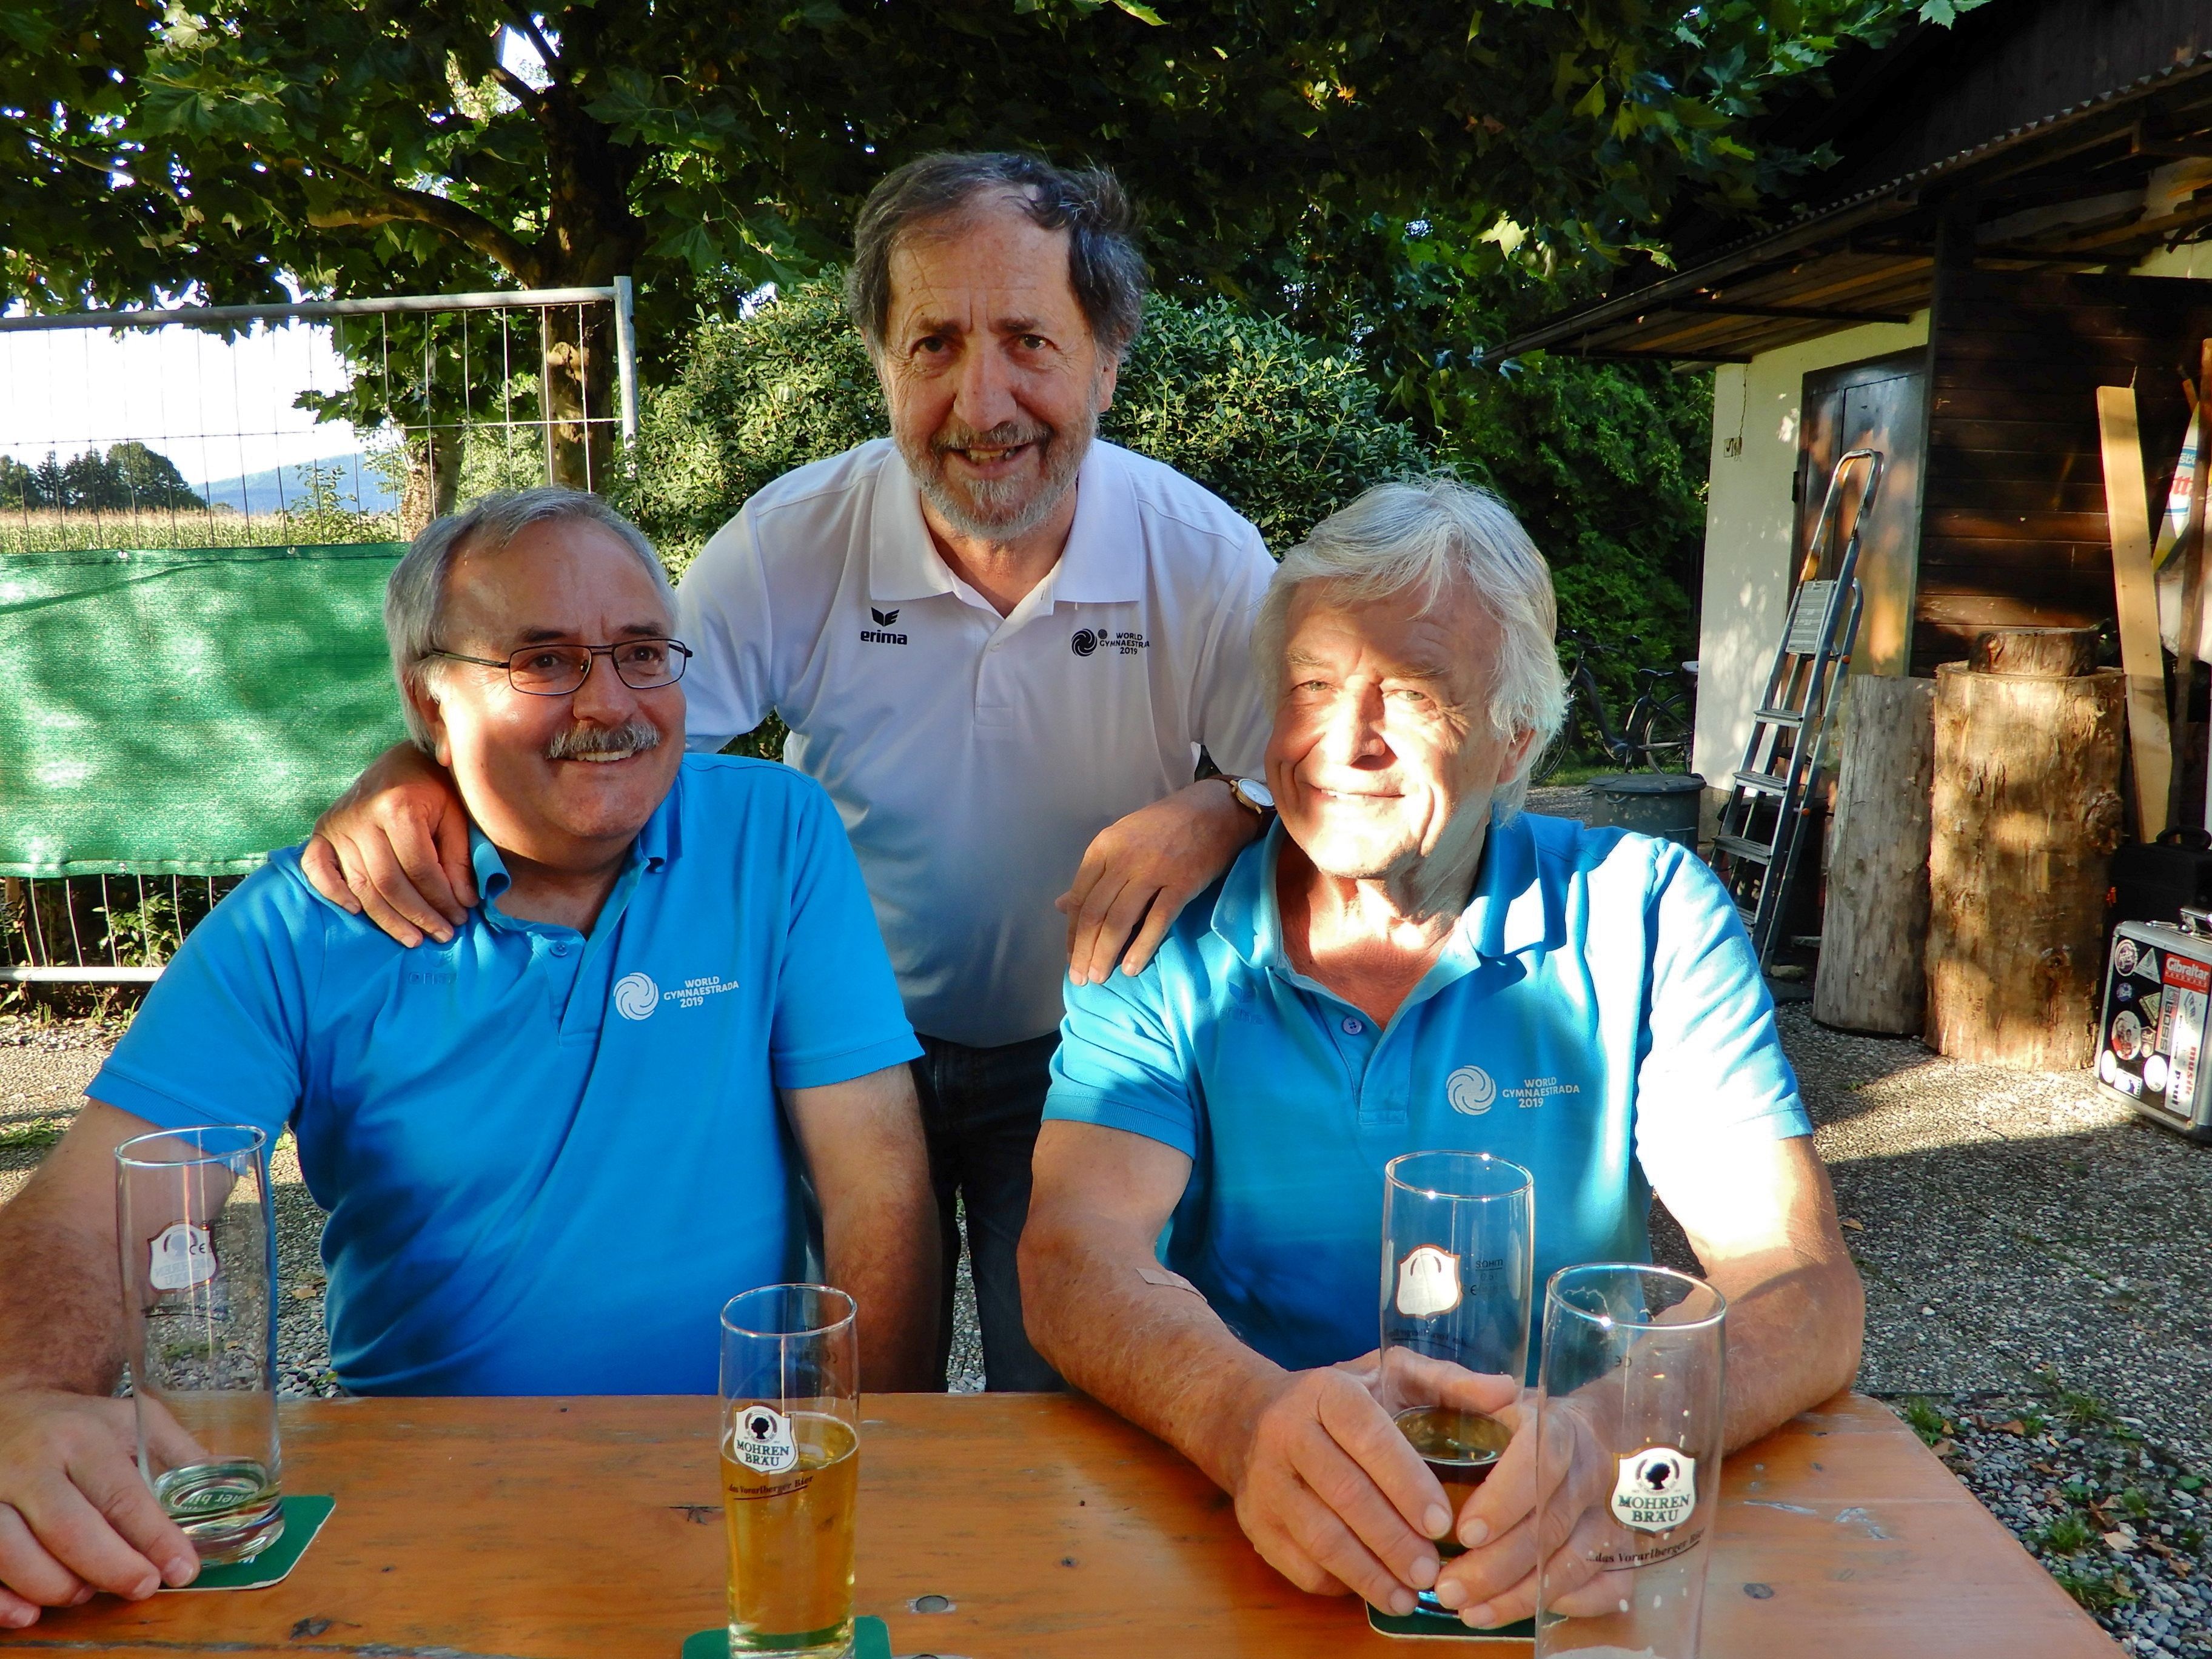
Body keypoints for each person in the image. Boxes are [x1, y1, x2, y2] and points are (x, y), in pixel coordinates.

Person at [302, 153, 1281, 1390]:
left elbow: (1310, 784)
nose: (982, 405)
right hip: (849, 1040)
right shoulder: (794, 541)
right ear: (879, 359)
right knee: (859, 1388)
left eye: (1030, 340)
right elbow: (613, 728)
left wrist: (1225, 802)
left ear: (1107, 356)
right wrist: (420, 761)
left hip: (1093, 1048)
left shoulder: (1199, 555)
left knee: (1074, 1403)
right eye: (933, 346)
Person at [0, 490, 937, 1627]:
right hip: (429, 1518)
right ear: (425, 703)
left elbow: (878, 1190)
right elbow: (90, 1214)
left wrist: (877, 1465)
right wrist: (17, 1404)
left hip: (744, 1487)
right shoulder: (302, 927)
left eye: (643, 653)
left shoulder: (773, 837)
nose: (611, 703)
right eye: (543, 660)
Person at [1017, 478, 1865, 1629]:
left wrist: (1607, 1433)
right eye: (1312, 685)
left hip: (1553, 1539)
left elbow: (1802, 1286)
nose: (1344, 741)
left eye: (1410, 696)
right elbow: (1073, 1256)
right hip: (1241, 1531)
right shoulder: (1172, 933)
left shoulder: (1648, 912)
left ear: (1517, 736)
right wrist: (1243, 1417)